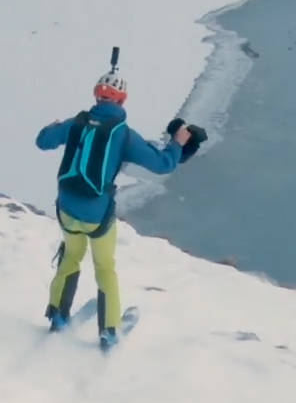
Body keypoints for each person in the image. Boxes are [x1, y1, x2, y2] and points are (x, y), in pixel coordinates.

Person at [36, 69, 194, 351]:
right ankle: (109, 331)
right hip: (97, 214)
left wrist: (53, 127)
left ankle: (58, 315)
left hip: (67, 207)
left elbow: (43, 141)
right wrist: (178, 143)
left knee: (70, 256)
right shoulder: (124, 135)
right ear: (122, 101)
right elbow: (164, 165)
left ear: (97, 95)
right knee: (105, 267)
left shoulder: (77, 122)